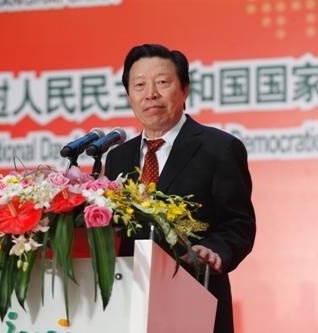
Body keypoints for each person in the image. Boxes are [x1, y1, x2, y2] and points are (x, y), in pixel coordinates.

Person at [104, 44, 256, 333]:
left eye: (162, 82)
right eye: (139, 85)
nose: (150, 93)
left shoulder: (219, 148)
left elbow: (239, 224)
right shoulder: (116, 157)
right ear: (129, 96)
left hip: (195, 295)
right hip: (127, 304)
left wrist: (213, 251)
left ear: (185, 89)